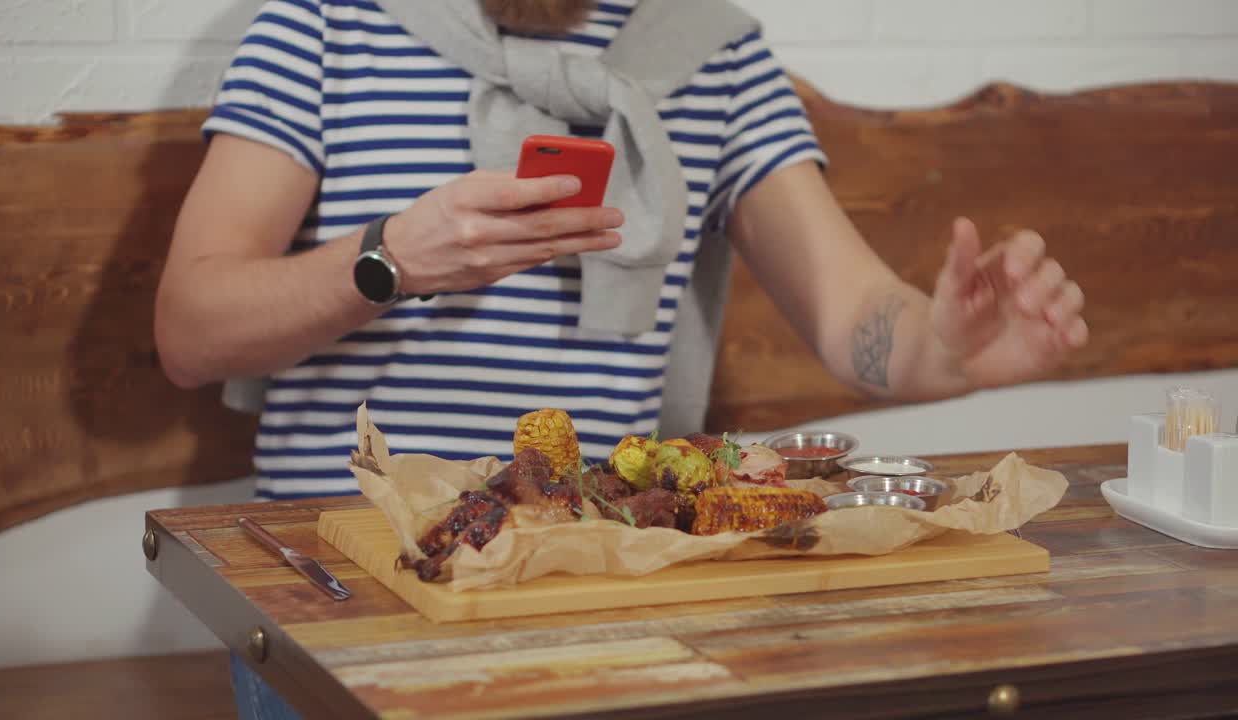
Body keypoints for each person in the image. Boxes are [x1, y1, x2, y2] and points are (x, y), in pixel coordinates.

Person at [154, 0, 1089, 716]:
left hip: (609, 581)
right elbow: (190, 333)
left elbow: (858, 317)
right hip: (344, 586)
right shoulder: (321, 23)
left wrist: (952, 348)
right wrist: (392, 258)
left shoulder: (708, 48)